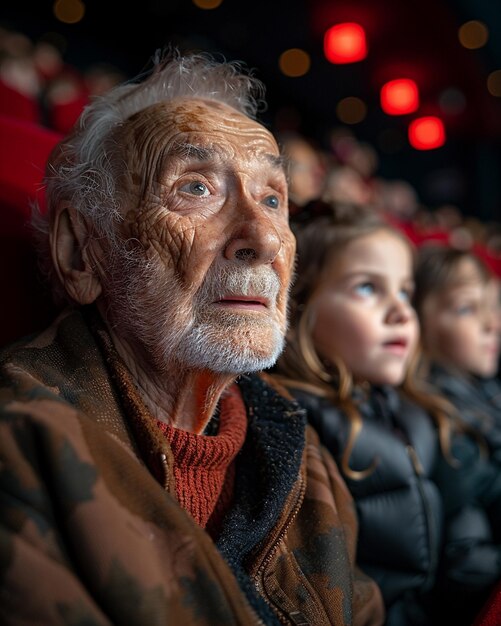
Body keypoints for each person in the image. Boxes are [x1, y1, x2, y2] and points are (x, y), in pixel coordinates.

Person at [0, 50, 385, 626]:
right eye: (197, 188)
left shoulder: (307, 458)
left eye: (273, 198)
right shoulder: (18, 446)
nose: (264, 238)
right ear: (82, 253)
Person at [272, 203, 457, 625]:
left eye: (405, 291)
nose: (401, 312)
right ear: (299, 304)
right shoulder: (297, 423)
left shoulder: (411, 408)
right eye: (368, 288)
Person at [413, 244, 501, 625]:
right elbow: (468, 562)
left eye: (492, 306)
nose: (491, 323)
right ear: (419, 322)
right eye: (467, 309)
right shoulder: (447, 425)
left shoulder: (480, 392)